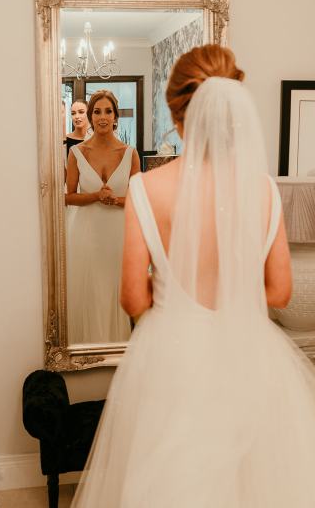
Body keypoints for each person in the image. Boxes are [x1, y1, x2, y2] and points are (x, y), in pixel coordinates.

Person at [71, 45, 315, 508]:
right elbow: (281, 291)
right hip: (250, 354)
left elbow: (131, 299)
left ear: (175, 111)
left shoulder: (147, 187)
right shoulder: (262, 188)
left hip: (172, 356)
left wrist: (172, 288)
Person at [66, 90, 140, 344]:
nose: (102, 117)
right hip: (86, 232)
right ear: (90, 116)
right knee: (90, 291)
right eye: (97, 112)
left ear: (116, 117)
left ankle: (116, 347)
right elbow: (68, 196)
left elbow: (138, 199)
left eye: (108, 111)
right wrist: (96, 196)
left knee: (114, 289)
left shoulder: (130, 154)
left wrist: (115, 200)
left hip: (117, 233)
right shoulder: (77, 152)